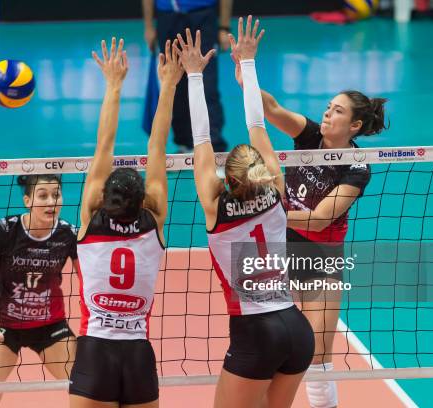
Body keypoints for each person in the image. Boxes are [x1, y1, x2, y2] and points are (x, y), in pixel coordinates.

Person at [241, 49, 388, 408]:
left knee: (319, 350)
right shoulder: (308, 136)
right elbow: (270, 108)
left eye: (337, 111)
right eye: (328, 106)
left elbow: (321, 217)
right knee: (265, 347)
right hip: (275, 248)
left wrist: (264, 211)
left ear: (354, 126)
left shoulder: (357, 167)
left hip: (318, 257)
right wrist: (246, 67)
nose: (327, 113)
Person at [180, 17, 314, 408]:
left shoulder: (214, 206)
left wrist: (193, 76)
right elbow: (258, 125)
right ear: (261, 169)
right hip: (295, 327)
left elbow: (201, 137)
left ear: (227, 179)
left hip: (255, 332)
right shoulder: (276, 192)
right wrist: (249, 63)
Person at [68, 36, 183, 407]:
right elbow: (157, 147)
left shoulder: (90, 217)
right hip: (138, 355)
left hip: (94, 354)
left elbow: (105, 145)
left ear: (103, 196)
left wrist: (113, 85)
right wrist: (168, 86)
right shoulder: (154, 219)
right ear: (142, 198)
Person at [0, 174, 78, 408]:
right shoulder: (4, 230)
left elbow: (90, 284)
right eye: (43, 196)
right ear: (28, 200)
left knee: (88, 391)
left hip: (51, 327)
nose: (50, 202)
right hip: (3, 327)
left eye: (56, 195)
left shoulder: (69, 235)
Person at [142, 0, 231, 152]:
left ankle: (214, 148)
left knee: (206, 85)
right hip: (168, 18)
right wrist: (149, 26)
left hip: (202, 18)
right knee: (174, 84)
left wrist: (224, 26)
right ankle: (184, 143)